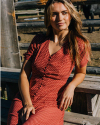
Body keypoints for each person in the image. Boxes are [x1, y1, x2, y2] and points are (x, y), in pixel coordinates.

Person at [7, 0, 91, 124]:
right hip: (25, 99)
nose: (60, 18)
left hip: (51, 104)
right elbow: (24, 74)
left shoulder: (78, 44)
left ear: (70, 15)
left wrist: (71, 86)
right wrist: (27, 103)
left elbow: (81, 73)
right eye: (54, 14)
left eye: (64, 13)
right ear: (48, 17)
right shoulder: (38, 41)